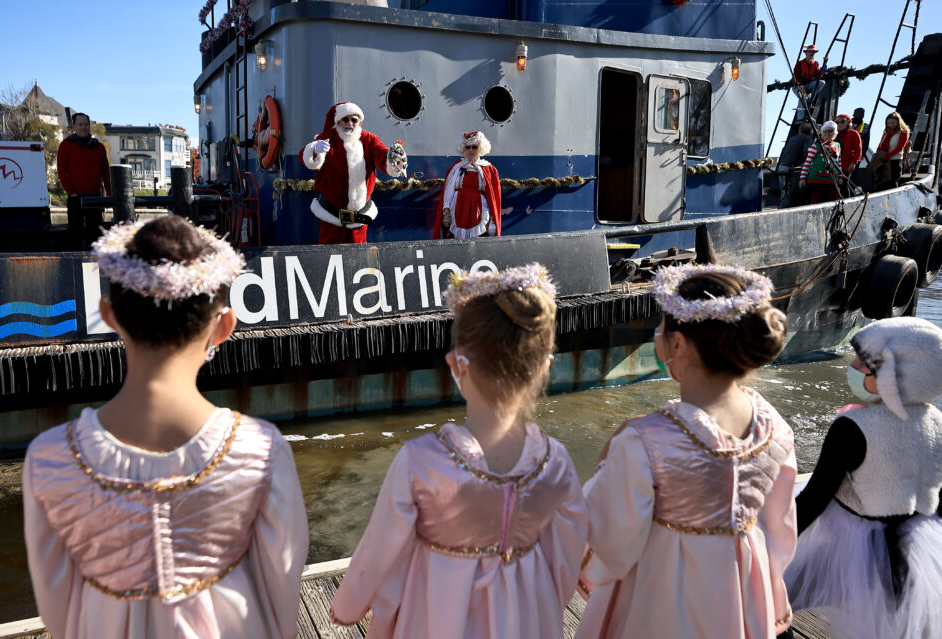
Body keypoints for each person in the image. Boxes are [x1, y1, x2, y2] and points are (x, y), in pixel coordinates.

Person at [22, 216, 308, 638]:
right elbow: (281, 583)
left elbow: (56, 605)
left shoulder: (49, 459)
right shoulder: (261, 450)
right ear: (224, 326)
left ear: (109, 315)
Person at [330, 263, 587, 638]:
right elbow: (567, 555)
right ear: (543, 368)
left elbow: (380, 549)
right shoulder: (557, 463)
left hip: (436, 616)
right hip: (527, 618)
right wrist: (544, 598)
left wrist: (349, 606)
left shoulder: (421, 461)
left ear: (456, 364)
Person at [575, 264, 797, 639]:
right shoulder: (775, 429)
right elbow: (780, 531)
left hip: (658, 600)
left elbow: (611, 541)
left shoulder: (644, 441)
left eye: (661, 327)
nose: (656, 334)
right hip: (740, 598)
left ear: (677, 344)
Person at [785, 317, 942, 639]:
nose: (853, 366)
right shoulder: (937, 421)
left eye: (862, 362)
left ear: (889, 376)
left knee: (778, 596)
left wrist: (771, 540)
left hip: (858, 542)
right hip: (920, 541)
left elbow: (815, 499)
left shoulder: (854, 426)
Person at [299, 102, 407, 244]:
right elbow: (304, 157)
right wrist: (314, 149)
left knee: (359, 260)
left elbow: (382, 155)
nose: (349, 123)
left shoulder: (370, 140)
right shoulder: (327, 138)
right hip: (330, 216)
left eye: (354, 120)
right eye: (345, 119)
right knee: (328, 259)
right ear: (338, 121)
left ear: (359, 122)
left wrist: (394, 160)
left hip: (358, 220)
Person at [433, 131, 502, 239]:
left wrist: (492, 219)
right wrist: (446, 212)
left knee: (479, 238)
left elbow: (493, 197)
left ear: (480, 149)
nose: (470, 150)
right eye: (467, 147)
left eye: (474, 147)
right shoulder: (457, 167)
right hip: (458, 209)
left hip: (479, 210)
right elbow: (449, 191)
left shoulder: (489, 169)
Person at [57, 113, 111, 250]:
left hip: (95, 199)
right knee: (75, 235)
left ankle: (94, 267)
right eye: (80, 124)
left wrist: (109, 195)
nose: (83, 127)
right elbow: (62, 172)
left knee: (95, 236)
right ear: (74, 126)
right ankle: (74, 268)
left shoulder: (99, 147)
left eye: (86, 124)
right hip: (76, 198)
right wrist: (72, 193)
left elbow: (106, 173)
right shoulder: (65, 145)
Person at [799, 121, 843, 204]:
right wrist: (802, 178)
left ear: (835, 132)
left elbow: (839, 162)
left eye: (830, 130)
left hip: (833, 180)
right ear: (822, 133)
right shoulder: (815, 146)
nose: (827, 133)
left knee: (833, 201)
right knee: (815, 202)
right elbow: (807, 163)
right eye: (825, 131)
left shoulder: (837, 145)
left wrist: (840, 177)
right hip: (816, 180)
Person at [777, 123, 814, 208]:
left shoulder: (792, 138)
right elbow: (807, 154)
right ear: (810, 132)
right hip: (791, 170)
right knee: (789, 196)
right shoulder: (807, 139)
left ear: (799, 130)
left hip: (782, 167)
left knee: (784, 194)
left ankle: (780, 210)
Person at [872, 111, 910, 190]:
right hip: (884, 161)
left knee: (892, 184)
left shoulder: (903, 132)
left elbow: (900, 148)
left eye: (893, 122)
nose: (891, 125)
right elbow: (880, 145)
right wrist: (877, 156)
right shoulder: (886, 132)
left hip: (895, 161)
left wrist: (887, 157)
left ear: (898, 122)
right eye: (888, 123)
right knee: (880, 185)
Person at [792, 45, 828, 120]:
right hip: (797, 86)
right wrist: (800, 87)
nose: (812, 53)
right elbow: (795, 77)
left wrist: (825, 63)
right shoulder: (800, 64)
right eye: (810, 51)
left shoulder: (816, 64)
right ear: (806, 53)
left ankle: (810, 98)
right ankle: (800, 119)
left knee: (821, 82)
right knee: (803, 99)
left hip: (808, 85)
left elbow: (819, 75)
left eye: (813, 52)